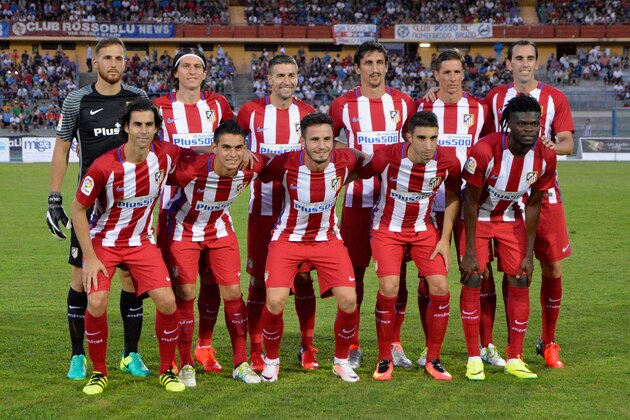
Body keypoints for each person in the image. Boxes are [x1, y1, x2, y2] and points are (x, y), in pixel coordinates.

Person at [47, 37, 150, 381]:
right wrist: (54, 197)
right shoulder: (77, 100)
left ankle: (130, 354)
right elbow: (62, 148)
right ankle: (78, 357)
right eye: (106, 58)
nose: (113, 63)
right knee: (80, 278)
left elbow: (152, 147)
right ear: (94, 64)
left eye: (118, 58)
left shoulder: (138, 99)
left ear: (125, 63)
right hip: (90, 207)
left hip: (130, 205)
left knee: (131, 278)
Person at [70, 99, 189, 394]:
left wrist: (226, 152)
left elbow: (196, 159)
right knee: (96, 302)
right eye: (137, 124)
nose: (143, 130)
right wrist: (90, 257)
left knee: (168, 301)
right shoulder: (104, 166)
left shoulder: (165, 155)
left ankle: (167, 370)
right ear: (126, 127)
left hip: (141, 242)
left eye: (149, 125)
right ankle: (99, 372)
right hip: (105, 243)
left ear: (156, 129)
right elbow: (77, 209)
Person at [484, 40, 574, 369]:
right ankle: (509, 345)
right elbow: (484, 138)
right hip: (504, 198)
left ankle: (548, 342)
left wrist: (554, 144)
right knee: (511, 270)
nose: (524, 63)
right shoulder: (494, 98)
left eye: (530, 58)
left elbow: (567, 141)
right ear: (509, 63)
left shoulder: (555, 98)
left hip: (545, 194)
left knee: (552, 266)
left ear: (537, 62)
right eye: (518, 58)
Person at [258, 113, 363, 383]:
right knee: (275, 301)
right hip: (288, 239)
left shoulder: (345, 161)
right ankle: (271, 361)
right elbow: (258, 169)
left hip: (327, 238)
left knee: (349, 300)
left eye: (327, 139)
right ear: (302, 141)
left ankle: (340, 361)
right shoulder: (285, 163)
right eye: (314, 139)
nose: (321, 145)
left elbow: (365, 161)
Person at [356, 111, 462, 381]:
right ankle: (384, 357)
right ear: (408, 137)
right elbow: (361, 170)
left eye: (434, 138)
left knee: (440, 288)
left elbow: (452, 196)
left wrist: (445, 240)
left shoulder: (448, 160)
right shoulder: (387, 156)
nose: (429, 146)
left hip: (424, 230)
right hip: (387, 230)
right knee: (389, 288)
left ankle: (433, 358)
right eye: (422, 138)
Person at [329, 41, 416, 369]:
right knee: (354, 272)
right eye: (369, 63)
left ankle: (394, 341)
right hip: (356, 197)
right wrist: (353, 154)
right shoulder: (343, 104)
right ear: (358, 67)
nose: (375, 68)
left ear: (387, 66)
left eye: (380, 62)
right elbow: (329, 138)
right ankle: (352, 342)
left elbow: (416, 136)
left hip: (396, 198)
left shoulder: (404, 102)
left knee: (399, 273)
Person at [460, 94, 557, 380]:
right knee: (474, 277)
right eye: (522, 123)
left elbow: (534, 204)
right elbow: (470, 202)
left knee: (521, 278)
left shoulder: (545, 156)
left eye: (534, 124)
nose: (529, 129)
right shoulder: (484, 151)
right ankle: (473, 358)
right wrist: (468, 251)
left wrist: (529, 253)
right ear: (508, 124)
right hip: (478, 218)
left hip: (510, 218)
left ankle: (515, 357)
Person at [164, 121, 265, 386]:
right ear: (214, 148)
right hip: (184, 230)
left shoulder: (252, 166)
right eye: (226, 148)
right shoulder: (193, 169)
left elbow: (287, 162)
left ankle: (240, 364)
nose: (233, 154)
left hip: (218, 228)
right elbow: (159, 171)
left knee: (233, 293)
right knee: (185, 295)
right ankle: (185, 364)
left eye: (239, 148)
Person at [154, 47, 234, 378]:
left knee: (213, 282)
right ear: (175, 73)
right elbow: (155, 147)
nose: (190, 71)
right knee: (178, 289)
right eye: (184, 66)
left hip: (215, 210)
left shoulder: (218, 105)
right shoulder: (159, 107)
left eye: (196, 67)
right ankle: (175, 354)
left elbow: (232, 142)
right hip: (174, 210)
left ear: (204, 74)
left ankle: (205, 346)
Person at [416, 49, 497, 368]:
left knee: (478, 272)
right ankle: (427, 347)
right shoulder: (422, 106)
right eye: (445, 72)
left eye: (456, 72)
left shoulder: (479, 108)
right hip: (427, 204)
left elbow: (491, 149)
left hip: (470, 204)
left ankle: (485, 344)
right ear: (435, 75)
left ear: (464, 74)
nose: (451, 78)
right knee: (428, 276)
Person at [237, 54, 319, 371]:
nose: (287, 80)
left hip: (301, 211)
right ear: (268, 79)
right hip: (263, 209)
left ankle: (307, 346)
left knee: (303, 278)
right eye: (280, 75)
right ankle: (256, 349)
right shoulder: (251, 112)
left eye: (292, 75)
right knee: (259, 281)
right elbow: (232, 138)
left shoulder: (307, 113)